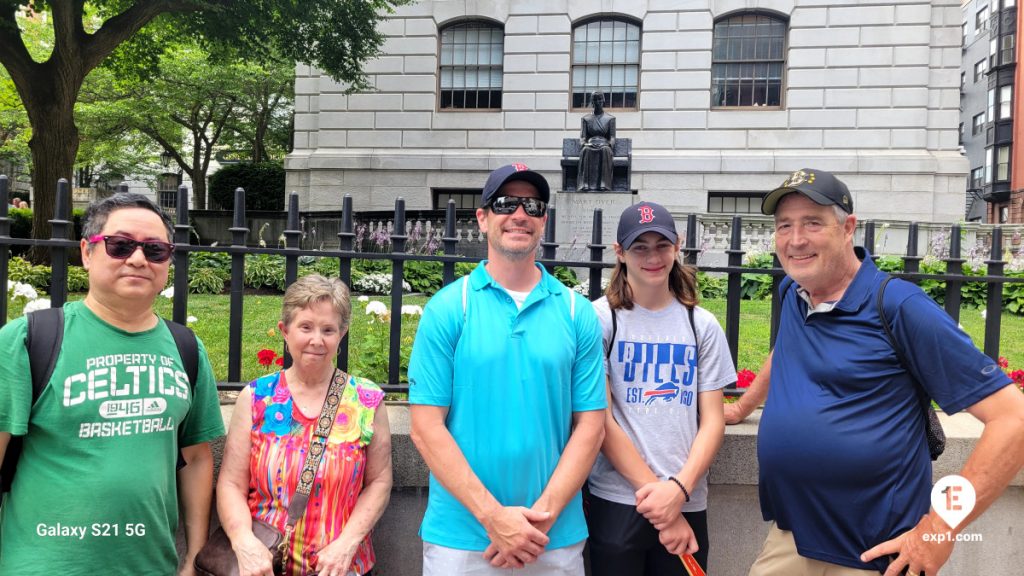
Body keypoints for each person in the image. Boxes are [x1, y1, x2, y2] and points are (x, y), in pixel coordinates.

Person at [747, 168, 1024, 576]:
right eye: (784, 225)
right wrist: (743, 405)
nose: (795, 239)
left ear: (848, 229)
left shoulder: (898, 306)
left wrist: (938, 531)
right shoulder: (795, 293)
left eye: (812, 223)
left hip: (877, 554)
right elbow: (784, 348)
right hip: (791, 538)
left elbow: (1012, 418)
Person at [0, 193, 225, 575]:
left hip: (151, 566)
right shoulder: (27, 340)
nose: (138, 259)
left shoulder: (186, 348)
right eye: (120, 246)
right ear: (87, 252)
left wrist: (194, 556)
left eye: (155, 250)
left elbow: (198, 459)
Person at [408, 163, 606, 575]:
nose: (520, 214)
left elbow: (591, 426)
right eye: (505, 203)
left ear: (544, 221)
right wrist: (494, 518)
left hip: (551, 537)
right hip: (462, 540)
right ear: (482, 218)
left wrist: (541, 519)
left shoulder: (576, 312)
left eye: (532, 206)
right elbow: (425, 427)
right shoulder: (449, 308)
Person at [587, 201, 733, 575]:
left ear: (677, 246)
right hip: (618, 501)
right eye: (640, 247)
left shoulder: (701, 325)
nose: (653, 257)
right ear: (619, 253)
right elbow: (601, 420)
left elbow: (712, 421)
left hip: (687, 499)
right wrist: (662, 505)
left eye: (662, 245)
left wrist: (679, 491)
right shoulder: (600, 319)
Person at [217, 274, 392, 576]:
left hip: (340, 567)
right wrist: (243, 542)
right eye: (306, 327)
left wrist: (347, 544)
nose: (316, 340)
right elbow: (232, 483)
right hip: (263, 567)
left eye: (328, 330)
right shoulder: (258, 397)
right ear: (285, 331)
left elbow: (379, 482)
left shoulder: (366, 400)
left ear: (342, 333)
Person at [578, 91, 616, 191]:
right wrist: (583, 144)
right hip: (590, 143)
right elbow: (582, 137)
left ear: (603, 101)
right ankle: (584, 185)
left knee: (605, 150)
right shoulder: (586, 119)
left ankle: (604, 184)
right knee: (585, 150)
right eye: (595, 100)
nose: (598, 102)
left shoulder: (610, 118)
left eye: (600, 99)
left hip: (603, 144)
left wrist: (609, 144)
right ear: (592, 102)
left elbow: (612, 137)